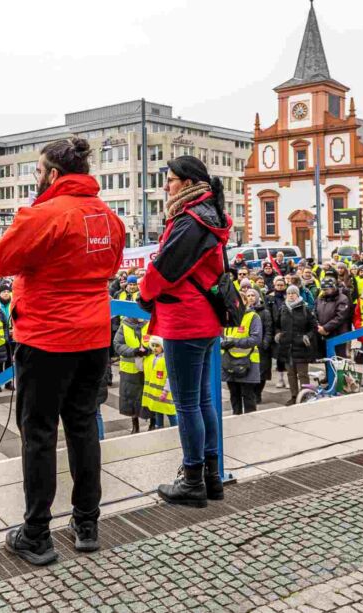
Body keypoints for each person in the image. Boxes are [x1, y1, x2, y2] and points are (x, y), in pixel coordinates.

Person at [0, 137, 124, 565]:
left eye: (38, 170)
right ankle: (87, 524)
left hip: (47, 338)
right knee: (83, 427)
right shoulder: (109, 218)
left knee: (40, 434)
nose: (36, 177)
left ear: (53, 174)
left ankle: (36, 534)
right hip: (94, 336)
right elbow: (112, 266)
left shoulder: (43, 214)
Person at [137, 155, 230, 508]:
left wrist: (144, 296)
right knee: (203, 400)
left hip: (184, 318)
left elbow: (164, 268)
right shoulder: (210, 214)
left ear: (189, 184)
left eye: (171, 179)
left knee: (186, 403)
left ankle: (192, 481)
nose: (166, 185)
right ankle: (211, 477)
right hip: (205, 317)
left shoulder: (189, 220)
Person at [275, 285, 317, 406]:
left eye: (293, 293)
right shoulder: (282, 309)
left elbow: (313, 327)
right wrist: (278, 334)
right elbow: (277, 325)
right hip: (287, 346)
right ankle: (294, 396)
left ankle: (305, 395)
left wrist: (307, 336)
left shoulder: (305, 309)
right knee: (291, 374)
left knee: (303, 374)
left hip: (301, 346)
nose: (291, 295)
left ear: (298, 295)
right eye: (289, 293)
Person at [222, 290, 262, 415]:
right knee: (234, 395)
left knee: (248, 396)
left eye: (239, 301)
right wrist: (223, 343)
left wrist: (234, 342)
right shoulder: (229, 317)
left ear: (245, 301)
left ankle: (251, 423)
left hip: (248, 362)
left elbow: (256, 339)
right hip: (230, 362)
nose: (236, 304)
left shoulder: (253, 317)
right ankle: (236, 418)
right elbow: (221, 336)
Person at [113, 315, 150, 434]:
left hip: (148, 367)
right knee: (131, 398)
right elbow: (118, 345)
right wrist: (134, 351)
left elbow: (157, 340)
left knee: (149, 395)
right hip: (129, 369)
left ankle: (153, 422)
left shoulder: (149, 323)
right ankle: (135, 425)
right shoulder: (124, 325)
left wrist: (149, 349)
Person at [141, 336, 177, 428]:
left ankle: (176, 428)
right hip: (156, 395)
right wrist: (139, 355)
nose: (154, 348)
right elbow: (140, 367)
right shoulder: (150, 359)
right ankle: (159, 427)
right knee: (158, 412)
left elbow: (170, 377)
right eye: (152, 345)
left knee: (171, 414)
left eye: (157, 346)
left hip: (166, 395)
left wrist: (165, 391)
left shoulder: (167, 359)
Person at [315, 278, 350, 358]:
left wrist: (326, 328)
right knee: (327, 359)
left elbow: (340, 317)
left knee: (339, 358)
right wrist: (319, 327)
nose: (324, 291)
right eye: (323, 289)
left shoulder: (343, 299)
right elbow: (314, 313)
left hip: (337, 333)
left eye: (326, 289)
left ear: (333, 287)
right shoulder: (320, 298)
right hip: (322, 333)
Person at [250, 288, 274, 404]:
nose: (250, 298)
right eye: (248, 296)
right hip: (249, 347)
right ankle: (251, 393)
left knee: (262, 373)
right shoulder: (243, 311)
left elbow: (269, 330)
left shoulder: (265, 312)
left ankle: (257, 393)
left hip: (261, 348)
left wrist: (265, 343)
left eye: (253, 295)